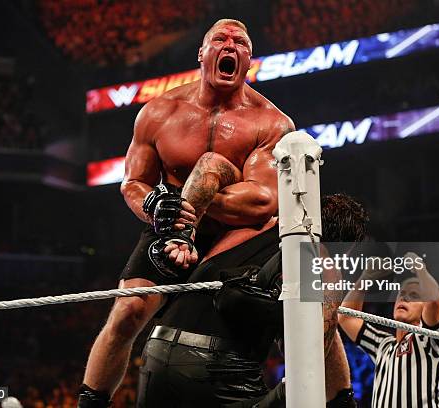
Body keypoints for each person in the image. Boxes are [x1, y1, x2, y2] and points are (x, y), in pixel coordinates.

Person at [78, 18, 295, 408]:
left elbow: (264, 201)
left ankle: (324, 394)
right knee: (127, 312)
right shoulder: (159, 112)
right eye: (220, 40)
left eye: (240, 43)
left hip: (236, 232)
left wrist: (196, 198)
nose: (230, 46)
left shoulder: (271, 122)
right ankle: (89, 404)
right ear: (202, 53)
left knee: (270, 316)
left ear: (248, 60)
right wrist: (155, 206)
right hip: (171, 223)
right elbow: (133, 183)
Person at [138, 193, 369, 407]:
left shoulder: (252, 224)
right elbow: (310, 356)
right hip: (217, 366)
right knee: (299, 388)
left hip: (154, 352)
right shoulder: (320, 262)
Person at [338, 252, 439, 407]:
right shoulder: (384, 345)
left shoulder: (427, 339)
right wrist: (365, 280)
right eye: (401, 294)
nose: (404, 298)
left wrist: (420, 268)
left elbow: (435, 301)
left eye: (414, 295)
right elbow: (346, 317)